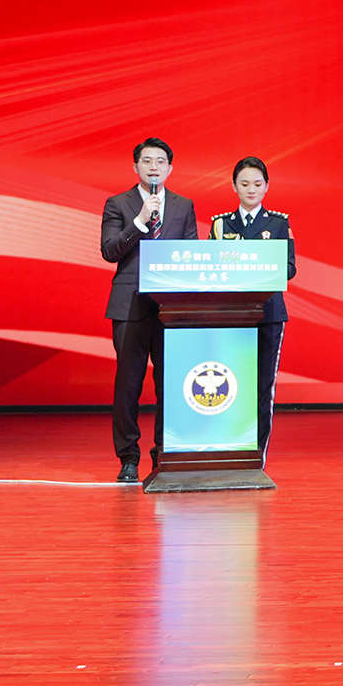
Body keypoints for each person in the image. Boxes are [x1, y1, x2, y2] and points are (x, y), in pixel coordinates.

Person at [100, 137, 199, 483]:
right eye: (146, 161)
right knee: (128, 385)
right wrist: (140, 221)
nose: (153, 167)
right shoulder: (118, 203)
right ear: (135, 167)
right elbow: (109, 251)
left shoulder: (184, 205)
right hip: (130, 305)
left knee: (168, 384)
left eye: (160, 161)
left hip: (170, 308)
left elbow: (191, 255)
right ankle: (128, 458)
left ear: (170, 168)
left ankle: (163, 452)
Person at [208, 156, 297, 460]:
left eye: (257, 184)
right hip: (230, 316)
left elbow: (289, 268)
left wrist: (253, 270)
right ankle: (230, 449)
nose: (251, 189)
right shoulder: (221, 224)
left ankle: (257, 455)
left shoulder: (278, 223)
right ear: (234, 186)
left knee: (262, 387)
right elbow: (211, 267)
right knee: (231, 383)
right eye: (244, 183)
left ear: (267, 186)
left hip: (268, 314)